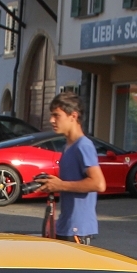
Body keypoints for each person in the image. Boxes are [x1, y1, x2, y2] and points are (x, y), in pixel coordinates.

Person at [39, 92, 105, 245]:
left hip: (78, 230)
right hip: (66, 226)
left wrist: (60, 185)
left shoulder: (84, 146)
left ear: (73, 116)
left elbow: (98, 184)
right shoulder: (67, 147)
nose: (51, 120)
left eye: (57, 115)